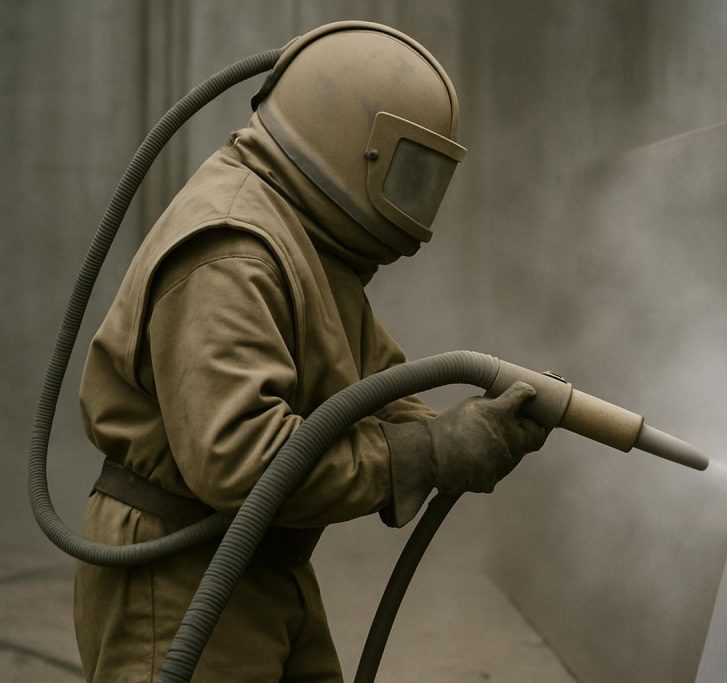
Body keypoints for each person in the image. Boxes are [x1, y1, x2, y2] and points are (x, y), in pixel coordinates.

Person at [74, 21, 547, 682]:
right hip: (179, 573)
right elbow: (238, 458)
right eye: (408, 173)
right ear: (358, 149)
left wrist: (461, 434)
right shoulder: (233, 249)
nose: (415, 206)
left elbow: (370, 381)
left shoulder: (306, 240)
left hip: (256, 561)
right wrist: (432, 451)